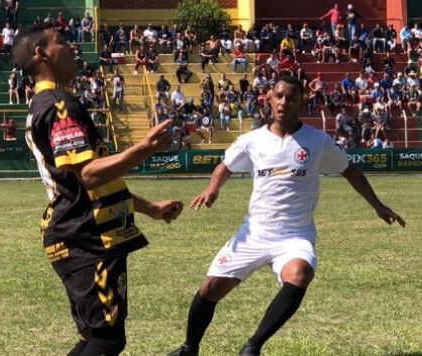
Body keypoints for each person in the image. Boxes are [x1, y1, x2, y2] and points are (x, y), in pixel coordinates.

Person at [168, 76, 405, 356]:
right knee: (210, 287)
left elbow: (349, 170)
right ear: (269, 99)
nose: (283, 102)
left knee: (300, 273)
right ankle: (189, 348)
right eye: (278, 96)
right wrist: (212, 188)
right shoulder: (252, 140)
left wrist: (377, 205)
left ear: (301, 100)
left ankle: (252, 346)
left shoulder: (317, 141)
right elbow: (225, 166)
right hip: (254, 233)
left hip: (295, 235)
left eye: (291, 97)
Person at [13, 22, 184, 356]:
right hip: (87, 236)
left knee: (96, 336)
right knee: (107, 339)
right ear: (41, 54)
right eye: (61, 42)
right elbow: (89, 175)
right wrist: (144, 149)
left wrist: (150, 209)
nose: (72, 48)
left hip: (78, 231)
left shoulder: (43, 104)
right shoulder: (59, 105)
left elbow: (83, 183)